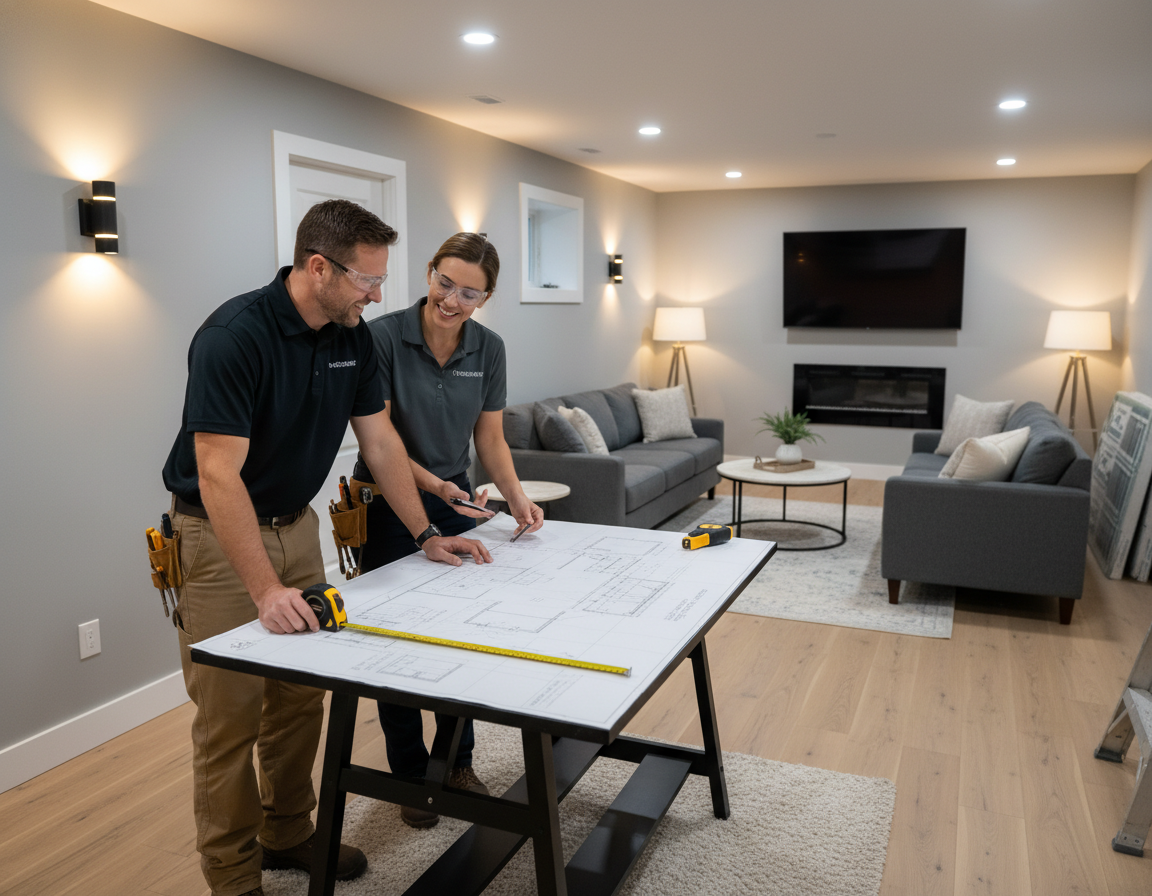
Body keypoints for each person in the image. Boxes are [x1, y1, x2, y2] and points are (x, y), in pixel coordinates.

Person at [162, 201, 491, 896]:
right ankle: (232, 877)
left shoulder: (353, 338)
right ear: (319, 268)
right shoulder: (233, 337)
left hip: (298, 528)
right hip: (217, 537)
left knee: (299, 700)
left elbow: (380, 441)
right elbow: (218, 473)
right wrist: (264, 591)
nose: (378, 294)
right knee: (230, 720)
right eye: (367, 280)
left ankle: (288, 836)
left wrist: (429, 533)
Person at [350, 232, 543, 828]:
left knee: (464, 637)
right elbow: (378, 440)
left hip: (457, 498)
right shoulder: (378, 337)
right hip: (385, 502)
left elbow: (490, 436)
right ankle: (410, 776)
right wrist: (432, 490)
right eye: (444, 282)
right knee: (398, 645)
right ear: (429, 272)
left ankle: (456, 762)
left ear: (485, 298)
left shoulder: (489, 348)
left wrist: (516, 497)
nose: (451, 300)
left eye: (469, 292)